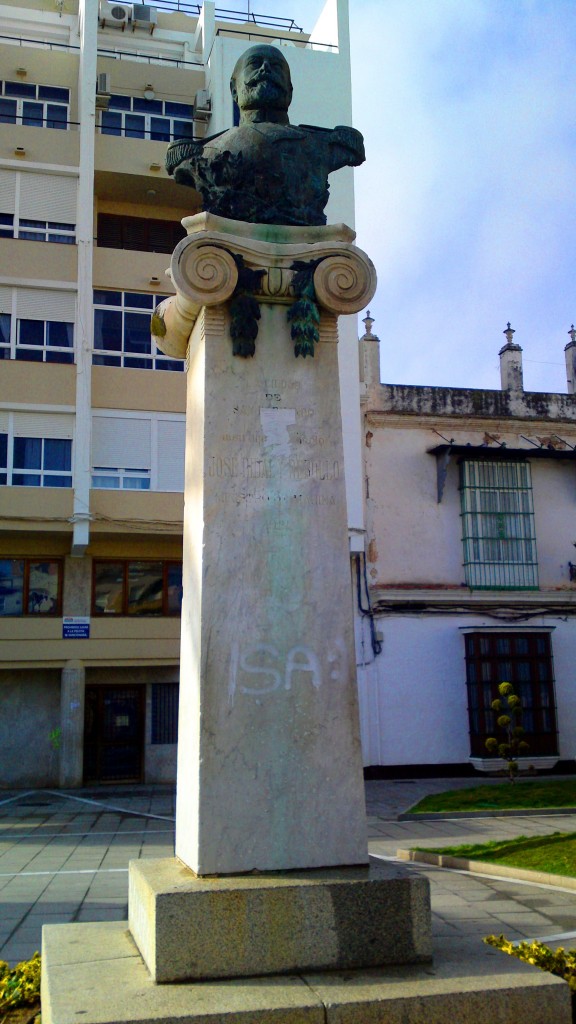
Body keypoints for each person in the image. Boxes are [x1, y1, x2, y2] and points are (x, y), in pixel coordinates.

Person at [165, 44, 365, 227]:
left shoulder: (327, 144)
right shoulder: (199, 154)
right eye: (255, 64)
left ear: (290, 91)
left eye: (276, 66)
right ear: (234, 90)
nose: (266, 69)